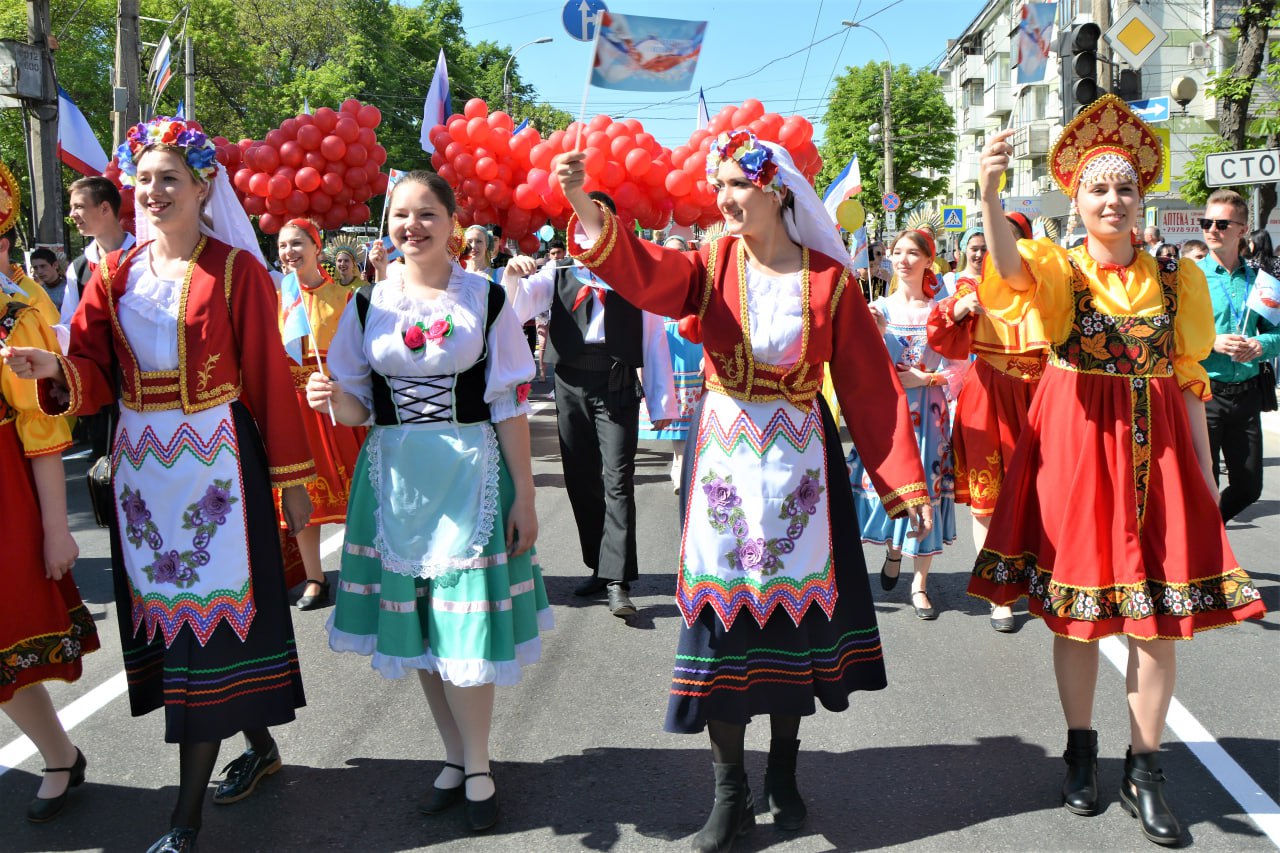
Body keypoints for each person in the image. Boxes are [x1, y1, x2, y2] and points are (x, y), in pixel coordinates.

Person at [554, 130, 932, 850]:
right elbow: (642, 270)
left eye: (737, 185)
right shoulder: (710, 262)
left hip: (800, 462)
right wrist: (582, 199)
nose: (724, 198)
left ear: (776, 192)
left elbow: (867, 382)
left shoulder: (829, 278)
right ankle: (729, 789)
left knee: (790, 624)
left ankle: (783, 773)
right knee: (723, 623)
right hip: (726, 452)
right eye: (720, 185)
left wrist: (900, 480)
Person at [3, 116, 316, 853]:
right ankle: (259, 744)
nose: (153, 191)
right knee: (184, 631)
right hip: (144, 473)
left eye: (169, 178)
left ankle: (184, 821)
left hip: (219, 470)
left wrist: (294, 481)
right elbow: (92, 368)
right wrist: (56, 371)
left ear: (205, 187)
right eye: (143, 179)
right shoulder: (114, 273)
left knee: (206, 631)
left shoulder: (237, 272)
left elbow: (270, 383)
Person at [971, 96, 1265, 847]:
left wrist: (1201, 475)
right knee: (1076, 612)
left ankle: (1146, 765)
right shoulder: (1060, 268)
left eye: (1124, 187)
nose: (1112, 199)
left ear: (1142, 200)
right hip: (1076, 447)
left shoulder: (1177, 276)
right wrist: (989, 193)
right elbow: (1007, 266)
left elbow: (1190, 376)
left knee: (1157, 616)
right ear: (1077, 198)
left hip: (1156, 449)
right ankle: (1079, 751)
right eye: (1098, 188)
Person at [307, 171, 549, 834]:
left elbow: (510, 402)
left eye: (425, 214)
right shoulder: (366, 304)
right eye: (399, 215)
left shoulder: (487, 297)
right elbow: (359, 408)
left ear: (451, 220)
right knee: (421, 623)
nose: (411, 227)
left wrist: (526, 495)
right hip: (396, 478)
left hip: (472, 473)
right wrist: (332, 402)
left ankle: (478, 765)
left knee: (464, 621)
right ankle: (454, 753)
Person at [502, 191, 676, 618]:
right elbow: (514, 310)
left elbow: (653, 336)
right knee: (580, 478)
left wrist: (662, 401)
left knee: (617, 478)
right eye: (582, 224)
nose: (590, 232)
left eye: (599, 224)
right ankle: (600, 566)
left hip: (615, 380)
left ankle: (619, 580)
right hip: (569, 383)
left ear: (614, 229)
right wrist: (512, 274)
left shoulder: (634, 275)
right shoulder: (558, 272)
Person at [0, 297, 100, 823]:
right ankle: (62, 755)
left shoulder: (10, 318)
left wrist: (57, 530)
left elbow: (41, 435)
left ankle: (59, 756)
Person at [927, 213, 1045, 633]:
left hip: (1041, 394)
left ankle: (1036, 575)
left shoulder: (1047, 287)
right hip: (989, 393)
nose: (1000, 246)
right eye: (994, 237)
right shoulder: (970, 286)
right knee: (988, 498)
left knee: (1039, 494)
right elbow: (942, 334)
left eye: (1010, 237)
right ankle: (998, 593)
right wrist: (958, 309)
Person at [851, 229, 961, 621]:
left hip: (930, 415)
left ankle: (919, 585)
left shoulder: (943, 309)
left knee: (928, 491)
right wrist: (878, 334)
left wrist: (925, 378)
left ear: (930, 261)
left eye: (914, 253)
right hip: (891, 414)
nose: (903, 259)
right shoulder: (878, 307)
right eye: (897, 252)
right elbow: (861, 367)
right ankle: (894, 548)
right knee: (893, 487)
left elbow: (961, 369)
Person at [276, 218, 367, 610]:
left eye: (297, 243)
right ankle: (315, 577)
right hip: (293, 410)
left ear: (317, 247)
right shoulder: (277, 296)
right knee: (301, 497)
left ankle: (364, 572)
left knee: (356, 496)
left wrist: (342, 388)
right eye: (282, 245)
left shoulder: (344, 296)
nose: (289, 252)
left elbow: (361, 356)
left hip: (335, 402)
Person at [1199, 190, 1280, 523]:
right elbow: (1170, 336)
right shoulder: (1190, 278)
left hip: (1246, 394)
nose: (1211, 229)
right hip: (1202, 394)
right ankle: (1210, 562)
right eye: (1206, 222)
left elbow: (1276, 334)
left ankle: (1209, 536)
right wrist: (1211, 342)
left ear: (1242, 229)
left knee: (1249, 487)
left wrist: (1261, 345)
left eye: (1221, 223)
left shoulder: (1261, 281)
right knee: (1204, 486)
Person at [638, 234, 706, 494]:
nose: (675, 255)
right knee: (675, 416)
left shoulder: (700, 282)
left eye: (679, 250)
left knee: (693, 417)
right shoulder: (654, 284)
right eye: (669, 251)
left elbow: (712, 318)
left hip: (693, 349)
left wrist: (708, 352)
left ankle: (687, 464)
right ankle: (679, 466)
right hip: (667, 352)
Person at [62, 175, 137, 340]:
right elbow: (70, 327)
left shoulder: (143, 255)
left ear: (105, 208)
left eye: (79, 206)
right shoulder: (78, 268)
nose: (72, 214)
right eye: (71, 207)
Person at [27, 248, 64, 314]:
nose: (39, 271)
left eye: (43, 266)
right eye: (35, 268)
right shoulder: (36, 291)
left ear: (55, 265)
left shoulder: (70, 289)